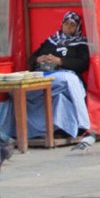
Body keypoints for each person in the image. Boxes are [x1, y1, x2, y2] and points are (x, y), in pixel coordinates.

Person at [0, 11, 91, 140]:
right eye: (66, 23)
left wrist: (59, 61)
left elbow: (83, 63)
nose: (68, 27)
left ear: (77, 27)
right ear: (62, 24)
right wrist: (39, 59)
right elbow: (31, 59)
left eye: (72, 25)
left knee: (68, 80)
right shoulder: (52, 41)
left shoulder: (81, 43)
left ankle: (82, 124)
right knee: (15, 91)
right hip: (46, 73)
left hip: (66, 74)